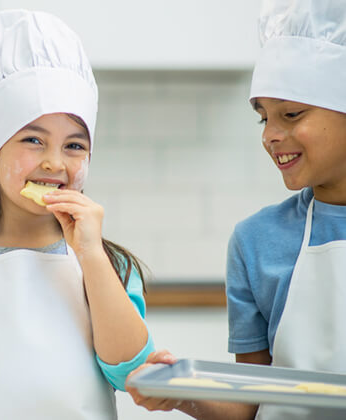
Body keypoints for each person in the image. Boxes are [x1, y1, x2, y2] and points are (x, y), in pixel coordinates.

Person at [0, 9, 155, 420]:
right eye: (33, 140)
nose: (55, 163)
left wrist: (91, 256)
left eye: (74, 146)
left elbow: (128, 371)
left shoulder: (110, 263)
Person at [126, 0, 346, 419]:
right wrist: (181, 393)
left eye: (292, 114)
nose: (271, 136)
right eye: (263, 118)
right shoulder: (256, 241)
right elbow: (253, 402)